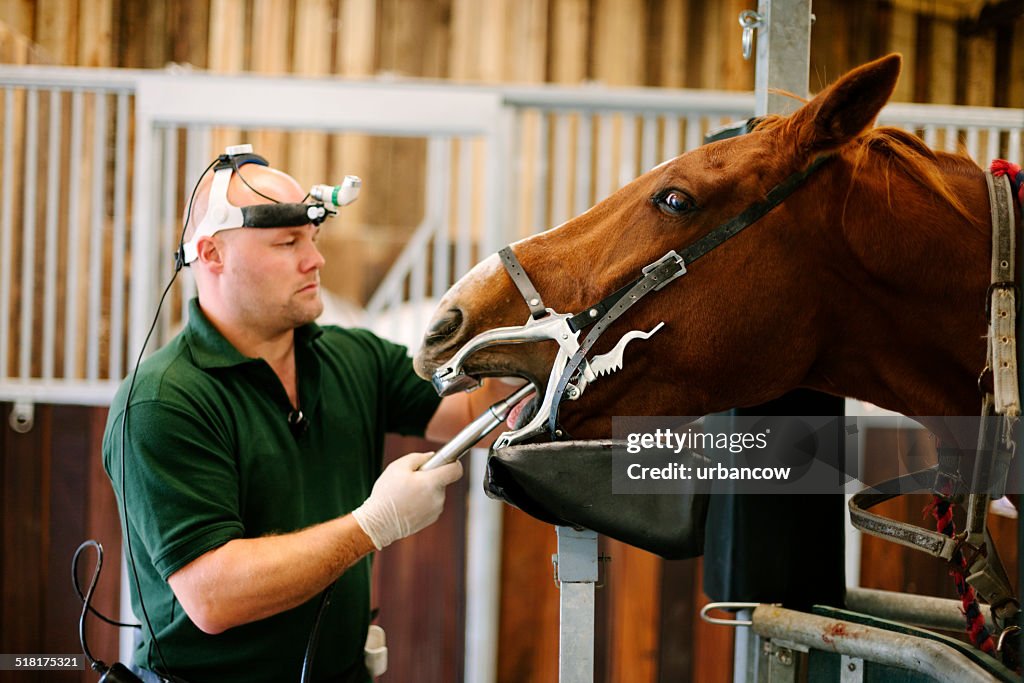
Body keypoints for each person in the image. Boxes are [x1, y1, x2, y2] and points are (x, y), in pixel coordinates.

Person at [102, 154, 505, 683]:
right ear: (212, 253)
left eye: (312, 239)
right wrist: (370, 525)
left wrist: (511, 314)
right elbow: (213, 595)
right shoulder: (162, 402)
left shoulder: (353, 358)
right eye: (287, 243)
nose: (314, 260)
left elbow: (477, 415)